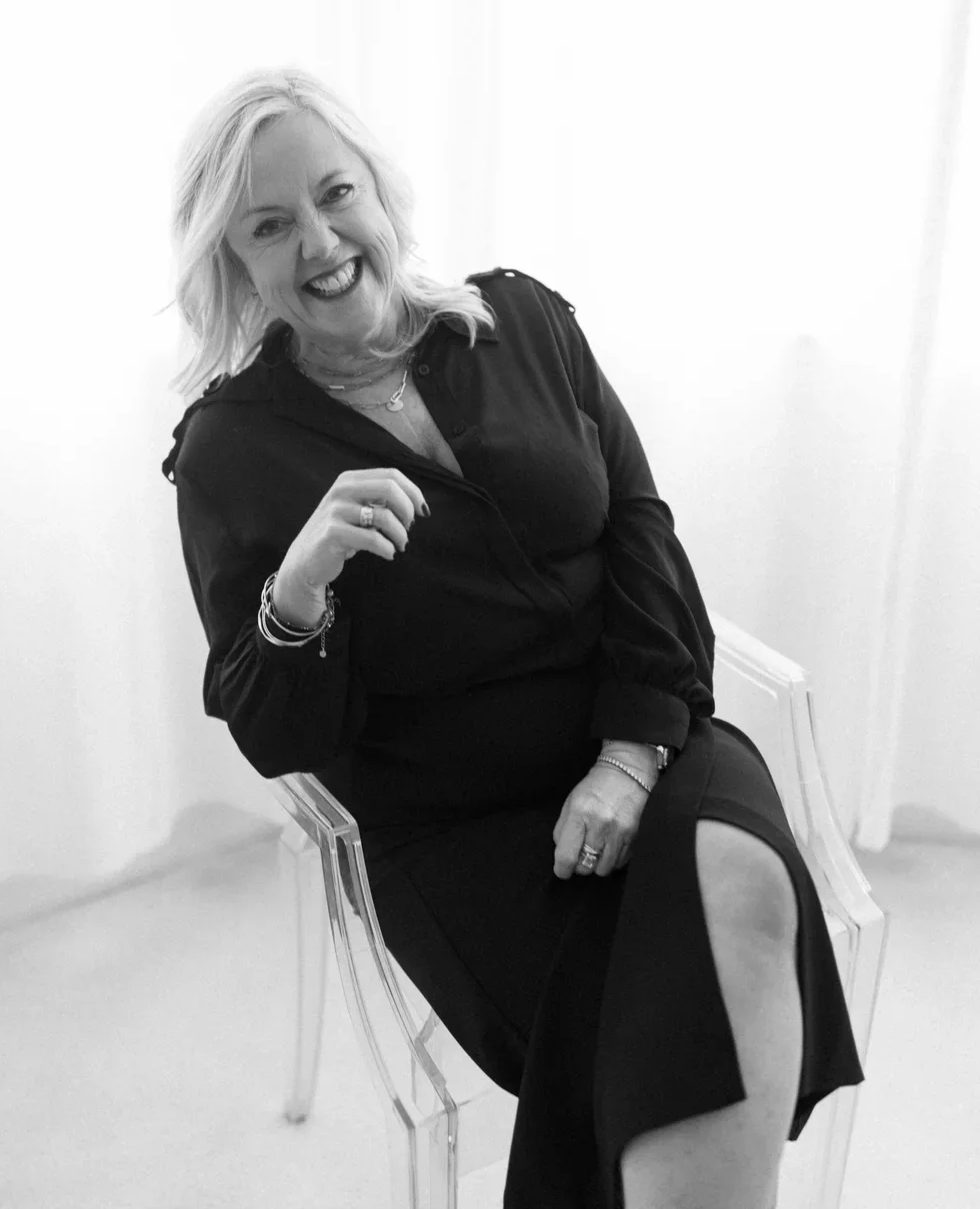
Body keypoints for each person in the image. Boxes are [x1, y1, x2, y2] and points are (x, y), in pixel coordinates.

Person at [162, 65, 864, 1209]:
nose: (321, 242)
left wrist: (629, 756)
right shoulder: (229, 451)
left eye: (336, 194)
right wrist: (299, 586)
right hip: (460, 830)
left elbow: (639, 526)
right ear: (234, 262)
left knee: (741, 882)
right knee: (666, 1011)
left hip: (642, 729)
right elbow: (276, 733)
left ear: (380, 191)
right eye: (270, 226)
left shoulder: (523, 321)